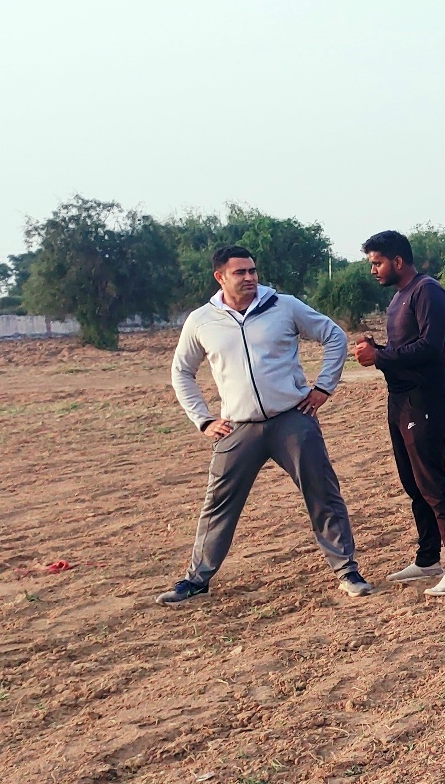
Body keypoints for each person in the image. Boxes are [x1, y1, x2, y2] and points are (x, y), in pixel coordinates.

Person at [158, 245, 374, 604]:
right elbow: (182, 371)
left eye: (252, 271)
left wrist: (323, 388)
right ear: (220, 277)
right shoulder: (201, 320)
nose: (249, 278)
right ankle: (196, 580)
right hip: (238, 427)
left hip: (293, 419)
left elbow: (334, 336)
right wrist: (204, 419)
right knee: (218, 504)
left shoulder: (284, 306)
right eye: (240, 272)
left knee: (322, 493)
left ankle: (347, 571)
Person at [350, 230, 445, 597]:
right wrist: (378, 349)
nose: (373, 270)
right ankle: (427, 559)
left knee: (432, 482)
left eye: (377, 263)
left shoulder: (427, 291)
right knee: (413, 483)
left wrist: (379, 356)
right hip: (400, 399)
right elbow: (405, 348)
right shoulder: (399, 297)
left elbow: (430, 348)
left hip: (425, 399)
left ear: (398, 261)